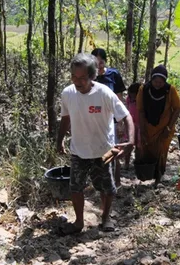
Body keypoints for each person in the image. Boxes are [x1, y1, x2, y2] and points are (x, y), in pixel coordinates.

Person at [57, 53, 134, 234]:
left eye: (82, 77)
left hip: (104, 150)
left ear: (92, 76)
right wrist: (59, 141)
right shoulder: (68, 94)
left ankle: (106, 217)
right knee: (75, 187)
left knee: (107, 188)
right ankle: (78, 222)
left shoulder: (104, 93)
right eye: (74, 77)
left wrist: (130, 141)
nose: (78, 81)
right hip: (78, 150)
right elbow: (65, 119)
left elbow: (126, 116)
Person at [137, 65, 180, 187]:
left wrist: (168, 127)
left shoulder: (170, 90)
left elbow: (177, 109)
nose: (157, 84)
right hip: (148, 127)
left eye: (161, 82)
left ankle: (158, 178)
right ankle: (147, 175)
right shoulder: (144, 89)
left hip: (164, 129)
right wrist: (142, 130)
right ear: (151, 79)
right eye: (155, 81)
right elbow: (140, 110)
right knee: (147, 151)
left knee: (161, 153)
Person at [91, 48, 127, 188]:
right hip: (94, 120)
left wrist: (120, 122)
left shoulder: (113, 74)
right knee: (95, 152)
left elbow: (119, 99)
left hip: (111, 120)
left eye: (101, 62)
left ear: (105, 61)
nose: (98, 65)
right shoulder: (89, 77)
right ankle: (99, 183)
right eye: (95, 62)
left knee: (113, 151)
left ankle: (116, 183)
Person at [125, 83, 142, 169]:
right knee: (129, 144)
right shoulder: (129, 99)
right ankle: (126, 163)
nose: (133, 96)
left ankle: (137, 163)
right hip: (131, 124)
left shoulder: (142, 100)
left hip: (140, 125)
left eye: (134, 95)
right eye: (131, 94)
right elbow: (127, 109)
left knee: (139, 146)